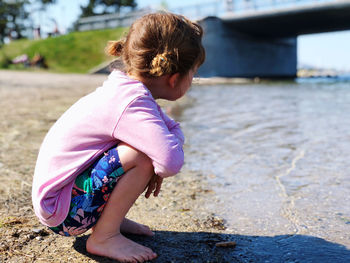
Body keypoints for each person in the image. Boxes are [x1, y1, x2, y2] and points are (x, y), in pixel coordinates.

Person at [32, 12, 205, 262]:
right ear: (174, 77)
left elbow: (171, 130)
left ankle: (108, 219)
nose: (193, 81)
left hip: (60, 199)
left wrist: (164, 148)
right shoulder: (132, 103)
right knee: (142, 154)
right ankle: (104, 236)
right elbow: (170, 160)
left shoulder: (127, 91)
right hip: (62, 211)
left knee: (144, 147)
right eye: (194, 74)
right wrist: (157, 160)